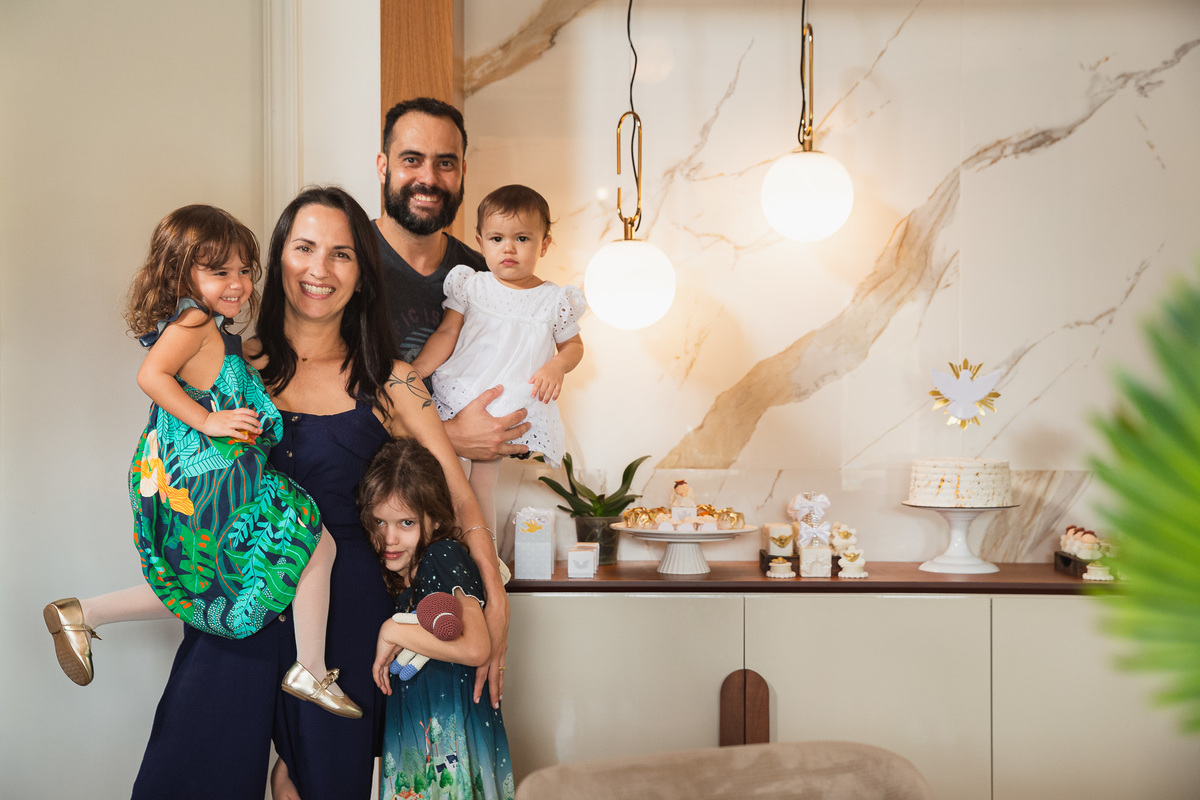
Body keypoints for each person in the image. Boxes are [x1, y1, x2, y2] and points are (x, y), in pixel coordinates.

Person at [118, 188, 508, 800]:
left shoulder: (392, 380)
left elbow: (459, 500)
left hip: (345, 619)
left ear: (363, 274)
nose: (320, 269)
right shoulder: (223, 362)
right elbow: (168, 477)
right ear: (278, 259)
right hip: (239, 603)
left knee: (330, 785)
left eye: (342, 254)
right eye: (304, 248)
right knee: (187, 777)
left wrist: (496, 611)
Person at [42, 204, 358, 718]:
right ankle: (311, 669)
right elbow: (151, 376)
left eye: (242, 271)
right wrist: (208, 421)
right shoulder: (192, 320)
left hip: (201, 478)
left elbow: (204, 371)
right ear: (180, 273)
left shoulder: (207, 326)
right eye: (219, 272)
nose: (237, 284)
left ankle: (84, 612)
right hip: (212, 477)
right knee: (314, 542)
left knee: (209, 580)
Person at [413, 184, 586, 535]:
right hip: (462, 393)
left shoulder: (554, 299)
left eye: (522, 238)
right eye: (496, 239)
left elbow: (574, 347)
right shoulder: (471, 285)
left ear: (545, 244)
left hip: (507, 402)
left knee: (482, 486)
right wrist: (416, 373)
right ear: (480, 242)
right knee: (447, 480)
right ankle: (449, 550)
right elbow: (447, 334)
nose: (508, 248)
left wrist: (557, 365)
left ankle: (484, 556)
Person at [375, 97, 532, 464]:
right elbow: (313, 399)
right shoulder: (342, 265)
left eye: (444, 163)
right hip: (353, 505)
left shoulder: (485, 277)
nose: (428, 179)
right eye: (411, 160)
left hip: (452, 502)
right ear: (383, 167)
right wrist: (446, 436)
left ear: (462, 170)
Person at [363, 437, 513, 800]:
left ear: (435, 521)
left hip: (452, 748)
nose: (390, 537)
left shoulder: (443, 556)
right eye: (379, 522)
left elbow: (477, 647)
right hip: (423, 747)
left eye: (407, 522)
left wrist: (392, 629)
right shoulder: (405, 581)